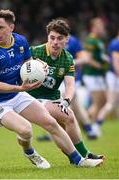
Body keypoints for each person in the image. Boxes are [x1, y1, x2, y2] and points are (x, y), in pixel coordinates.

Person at [0, 9, 103, 169]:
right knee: (26, 130)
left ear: (11, 27)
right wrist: (21, 87)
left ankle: (79, 160)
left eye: (0, 27)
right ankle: (29, 151)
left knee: (51, 122)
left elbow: (29, 64)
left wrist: (40, 67)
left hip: (19, 93)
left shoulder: (21, 42)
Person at [28, 18, 104, 162]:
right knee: (69, 117)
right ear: (47, 37)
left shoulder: (68, 58)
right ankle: (85, 155)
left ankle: (73, 157)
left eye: (60, 38)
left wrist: (67, 100)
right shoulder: (35, 51)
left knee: (63, 126)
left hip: (51, 97)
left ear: (66, 39)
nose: (55, 42)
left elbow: (70, 85)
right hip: (31, 98)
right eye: (52, 38)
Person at [82, 17, 109, 126]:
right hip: (91, 75)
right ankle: (88, 124)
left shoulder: (98, 40)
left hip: (98, 75)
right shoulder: (91, 40)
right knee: (97, 102)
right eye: (99, 27)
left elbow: (100, 56)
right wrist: (100, 66)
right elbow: (88, 58)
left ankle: (88, 123)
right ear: (93, 28)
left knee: (102, 101)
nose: (102, 29)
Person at [92, 29, 119, 136]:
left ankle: (95, 125)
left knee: (111, 104)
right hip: (114, 76)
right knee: (110, 104)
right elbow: (116, 61)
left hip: (113, 76)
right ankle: (96, 125)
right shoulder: (116, 43)